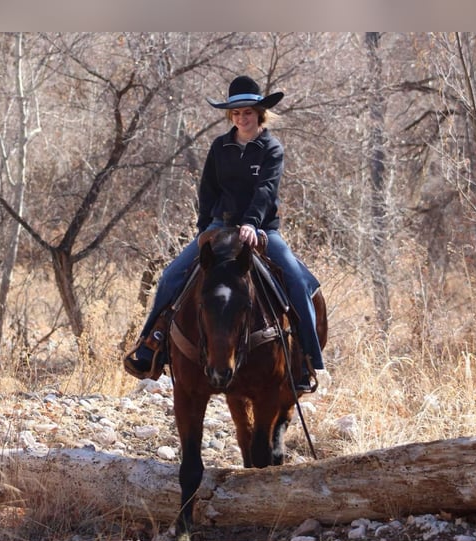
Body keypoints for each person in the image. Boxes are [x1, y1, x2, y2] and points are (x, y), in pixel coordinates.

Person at [124, 75, 328, 392]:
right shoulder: (220, 146)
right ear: (230, 115)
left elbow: (266, 190)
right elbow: (208, 190)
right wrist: (205, 227)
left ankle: (306, 361)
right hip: (220, 226)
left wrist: (251, 223)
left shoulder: (271, 148)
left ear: (259, 113)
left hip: (261, 229)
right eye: (236, 113)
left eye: (248, 112)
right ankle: (151, 344)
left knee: (298, 280)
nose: (242, 118)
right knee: (171, 276)